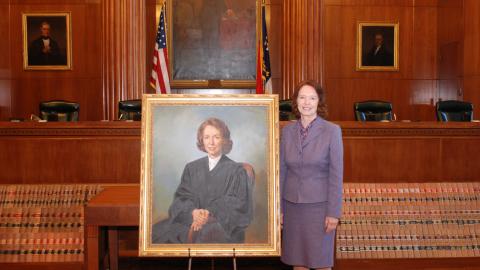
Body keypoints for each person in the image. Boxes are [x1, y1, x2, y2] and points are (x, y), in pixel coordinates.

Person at [152, 117, 254, 244]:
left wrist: (208, 212)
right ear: (202, 141)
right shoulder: (192, 168)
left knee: (195, 234)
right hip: (190, 220)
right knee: (157, 231)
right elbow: (181, 198)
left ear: (224, 140)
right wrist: (193, 212)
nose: (211, 142)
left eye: (216, 137)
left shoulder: (236, 171)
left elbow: (238, 203)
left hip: (219, 226)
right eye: (206, 137)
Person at [280, 80, 343, 270]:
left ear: (319, 102)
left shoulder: (332, 131)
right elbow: (282, 170)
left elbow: (336, 175)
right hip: (292, 208)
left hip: (320, 209)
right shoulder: (287, 131)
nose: (306, 102)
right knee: (298, 262)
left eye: (312, 98)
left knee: (321, 262)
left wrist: (333, 213)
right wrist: (279, 209)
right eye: (302, 97)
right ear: (296, 102)